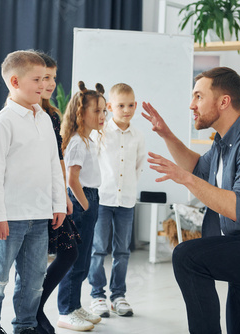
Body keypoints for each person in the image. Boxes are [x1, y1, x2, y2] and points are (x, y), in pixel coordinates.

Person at [142, 67, 240, 334]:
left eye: (198, 97)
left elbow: (238, 207)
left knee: (187, 257)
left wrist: (184, 179)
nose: (191, 105)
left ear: (223, 101)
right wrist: (166, 135)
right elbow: (200, 170)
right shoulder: (222, 142)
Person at [0, 50, 66, 334]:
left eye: (46, 78)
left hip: (40, 216)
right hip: (9, 218)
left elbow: (54, 165)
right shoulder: (3, 122)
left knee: (33, 280)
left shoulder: (44, 118)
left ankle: (26, 326)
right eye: (37, 79)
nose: (44, 85)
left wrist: (57, 203)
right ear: (15, 81)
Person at [33, 51, 81, 334]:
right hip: (32, 197)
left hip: (51, 194)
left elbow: (58, 159)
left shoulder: (52, 114)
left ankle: (36, 308)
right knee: (32, 262)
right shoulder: (20, 113)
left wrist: (62, 195)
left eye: (52, 77)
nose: (49, 84)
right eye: (43, 77)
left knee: (70, 251)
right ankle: (32, 314)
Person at [88, 83, 145, 318]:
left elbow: (138, 166)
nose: (126, 109)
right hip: (103, 199)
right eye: (121, 105)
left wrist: (128, 188)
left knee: (122, 251)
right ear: (110, 107)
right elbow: (92, 165)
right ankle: (97, 296)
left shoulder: (138, 136)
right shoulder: (99, 133)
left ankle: (118, 295)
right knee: (99, 249)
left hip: (127, 202)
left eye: (131, 105)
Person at [57, 81, 107, 332]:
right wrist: (86, 205)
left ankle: (74, 305)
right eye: (96, 111)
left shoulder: (88, 139)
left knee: (84, 259)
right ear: (81, 112)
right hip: (81, 201)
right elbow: (72, 178)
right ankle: (65, 311)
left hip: (90, 199)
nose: (102, 116)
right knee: (75, 259)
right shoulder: (77, 141)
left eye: (103, 111)